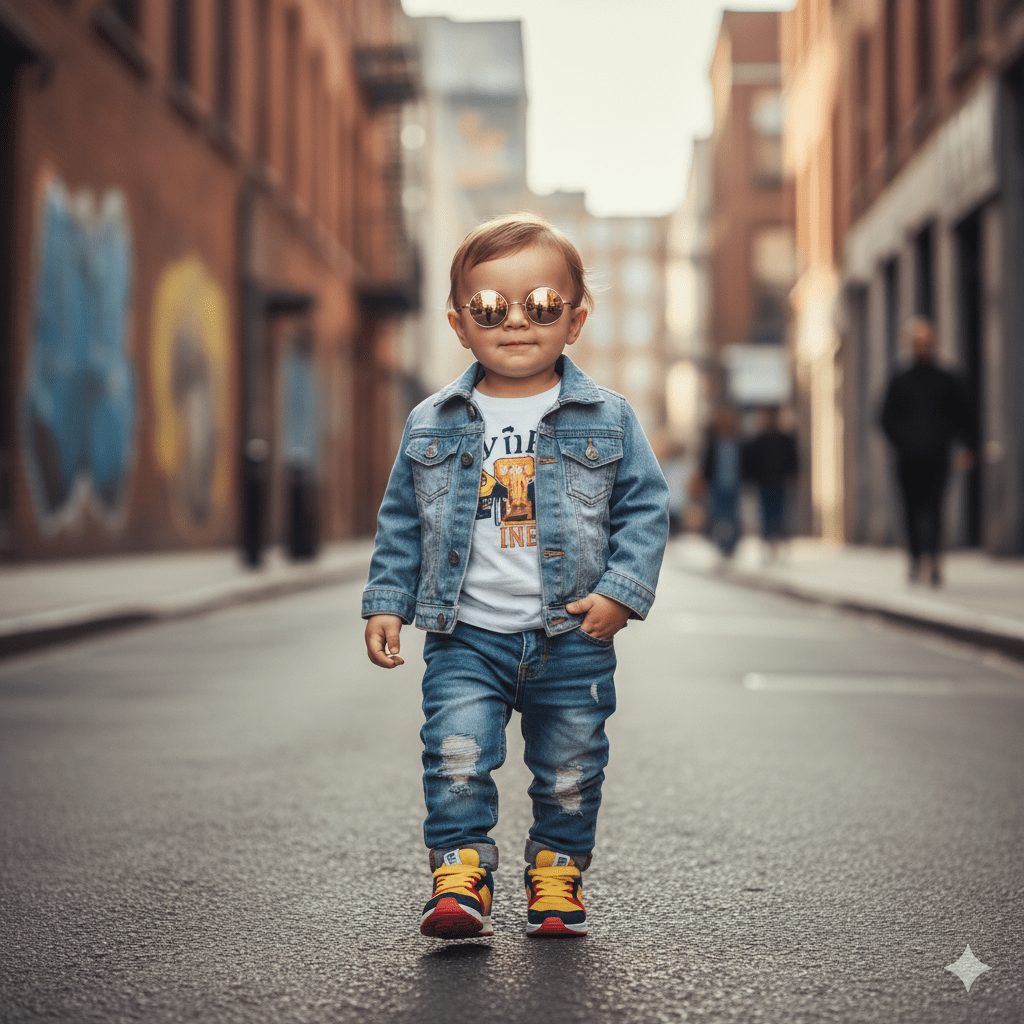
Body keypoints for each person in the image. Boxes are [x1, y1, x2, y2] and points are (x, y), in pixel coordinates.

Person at [361, 214, 670, 940]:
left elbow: (645, 508)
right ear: (459, 325)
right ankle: (460, 874)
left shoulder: (609, 417)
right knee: (456, 754)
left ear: (576, 319)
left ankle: (557, 876)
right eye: (490, 308)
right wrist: (387, 602)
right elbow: (402, 518)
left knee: (571, 768)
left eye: (542, 305)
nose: (517, 323)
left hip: (573, 637)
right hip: (465, 636)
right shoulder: (432, 420)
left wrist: (621, 594)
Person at [880, 316, 976, 586]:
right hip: (908, 457)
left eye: (927, 342)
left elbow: (964, 415)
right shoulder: (900, 380)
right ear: (911, 345)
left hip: (937, 455)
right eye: (918, 342)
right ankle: (914, 558)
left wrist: (968, 446)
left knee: (935, 507)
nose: (923, 347)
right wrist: (903, 440)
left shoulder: (947, 379)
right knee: (911, 509)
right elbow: (885, 418)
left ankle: (933, 559)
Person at [743, 406, 798, 562]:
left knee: (779, 515)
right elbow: (751, 461)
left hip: (778, 482)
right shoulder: (760, 440)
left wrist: (793, 475)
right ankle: (769, 544)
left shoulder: (784, 439)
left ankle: (779, 543)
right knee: (767, 515)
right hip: (765, 483)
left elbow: (792, 459)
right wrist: (751, 479)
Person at [699, 406, 743, 562]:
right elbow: (707, 465)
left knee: (733, 516)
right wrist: (703, 481)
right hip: (717, 486)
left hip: (733, 486)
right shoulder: (713, 444)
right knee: (718, 516)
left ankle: (732, 545)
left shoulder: (737, 443)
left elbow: (744, 464)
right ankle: (721, 544)